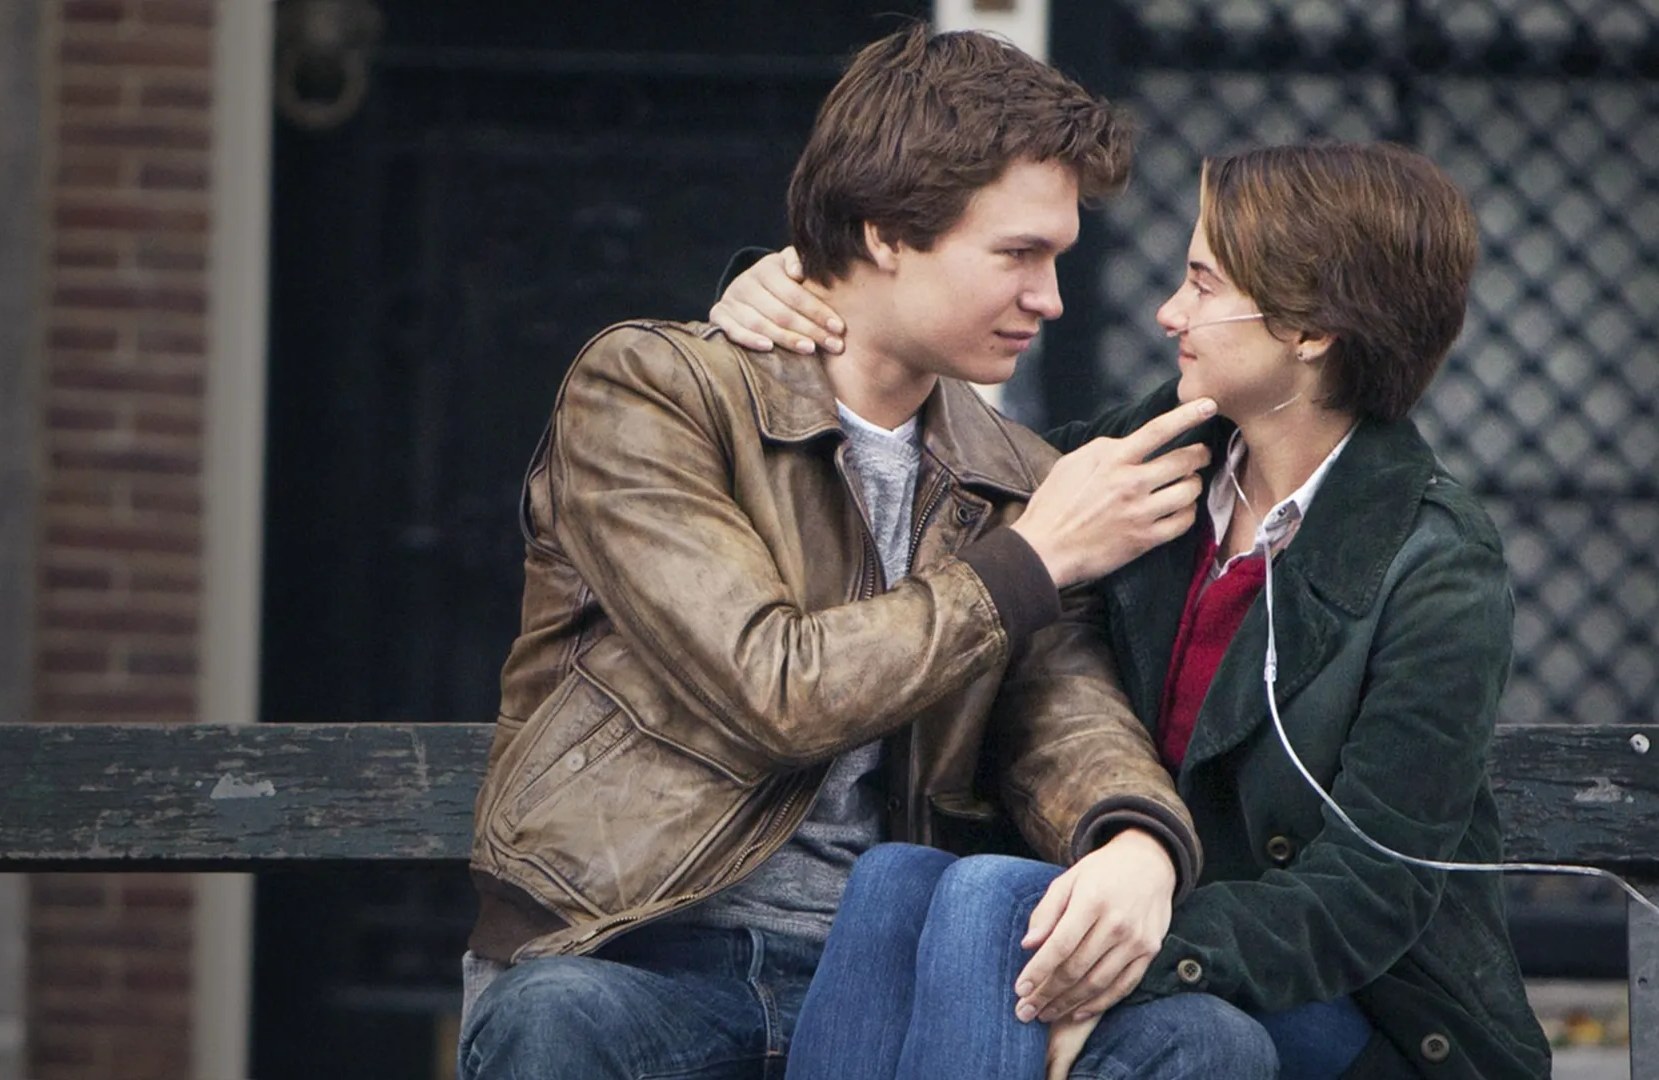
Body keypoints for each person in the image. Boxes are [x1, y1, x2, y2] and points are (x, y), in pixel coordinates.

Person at [458, 23, 1287, 1080]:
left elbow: (1061, 718)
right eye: (1018, 254)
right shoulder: (652, 394)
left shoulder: (1018, 477)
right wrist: (1028, 560)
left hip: (885, 969)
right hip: (641, 956)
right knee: (555, 1022)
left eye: (1057, 257)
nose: (1051, 298)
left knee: (1210, 1045)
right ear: (887, 232)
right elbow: (772, 686)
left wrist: (1136, 842)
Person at [713, 140, 1554, 1079]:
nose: (1168, 313)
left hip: (1353, 1011)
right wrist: (801, 296)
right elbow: (943, 460)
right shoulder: (1141, 468)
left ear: (1311, 327)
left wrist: (1140, 949)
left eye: (1201, 282)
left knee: (995, 901)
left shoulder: (1434, 564)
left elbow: (1371, 896)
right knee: (898, 878)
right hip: (1143, 918)